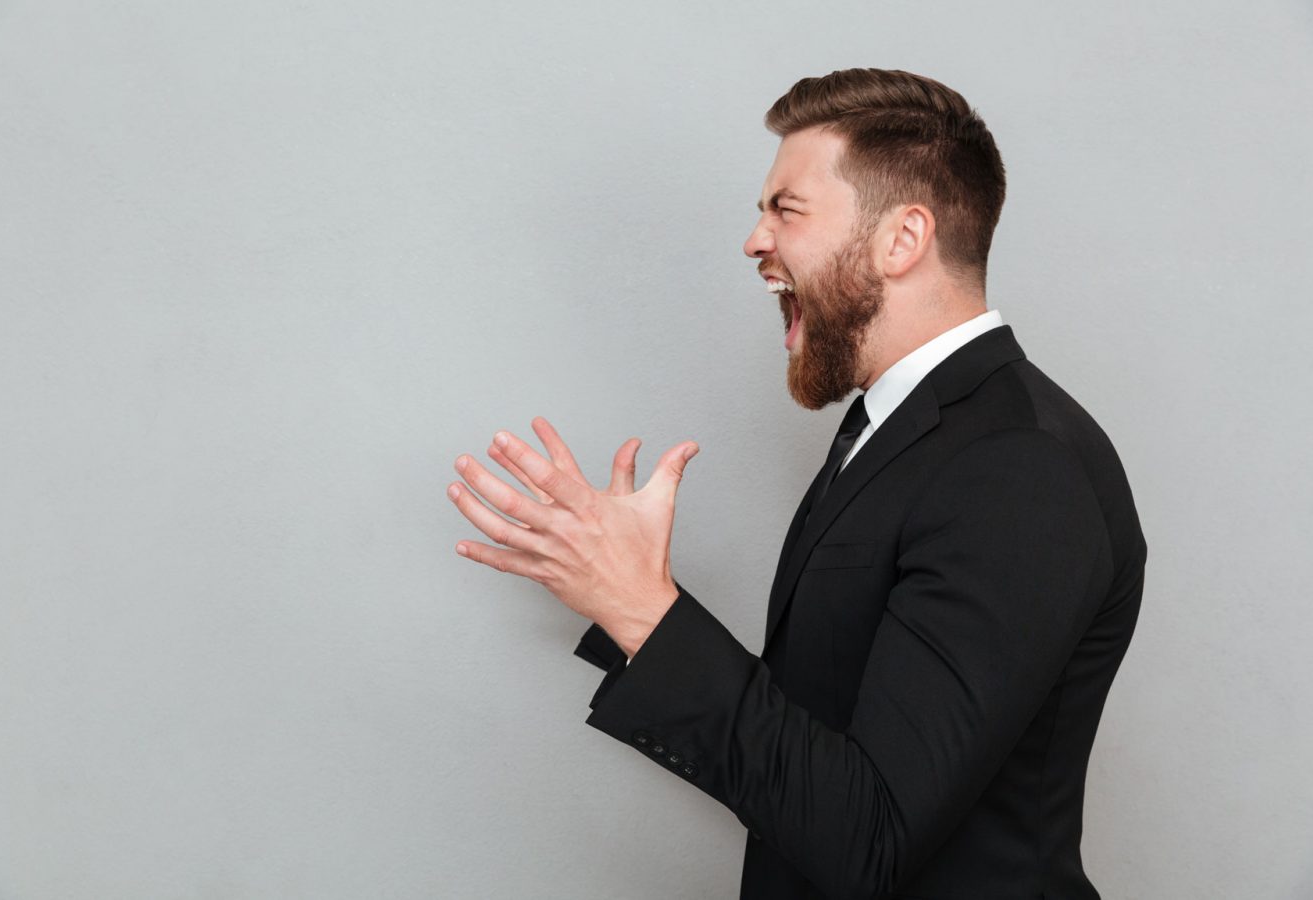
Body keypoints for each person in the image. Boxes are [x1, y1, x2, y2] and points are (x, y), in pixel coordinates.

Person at [447, 67, 1146, 899]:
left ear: (901, 239)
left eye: (785, 209)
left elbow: (868, 838)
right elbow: (820, 734)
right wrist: (623, 597)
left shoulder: (1018, 468)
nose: (754, 240)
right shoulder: (892, 428)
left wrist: (644, 610)